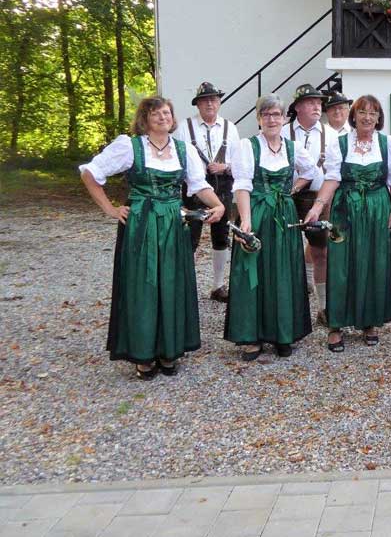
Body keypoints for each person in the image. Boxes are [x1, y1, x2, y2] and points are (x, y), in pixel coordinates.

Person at [80, 97, 225, 379]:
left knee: (171, 284)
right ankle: (143, 353)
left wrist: (217, 204)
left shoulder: (183, 150)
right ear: (144, 118)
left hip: (173, 223)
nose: (162, 117)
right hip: (141, 224)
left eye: (167, 112)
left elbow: (198, 185)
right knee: (143, 285)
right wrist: (109, 209)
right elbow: (90, 173)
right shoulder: (129, 146)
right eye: (155, 112)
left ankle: (169, 349)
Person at [226, 95, 320, 361]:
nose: (272, 119)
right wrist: (245, 219)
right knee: (254, 270)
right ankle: (251, 337)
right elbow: (242, 185)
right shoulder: (248, 146)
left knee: (283, 271)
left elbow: (310, 170)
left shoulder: (292, 147)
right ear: (259, 119)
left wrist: (291, 190)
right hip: (257, 212)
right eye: (266, 115)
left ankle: (283, 333)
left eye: (276, 114)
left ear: (284, 118)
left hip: (284, 213)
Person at [306, 95, 391, 351]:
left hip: (378, 209)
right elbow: (332, 178)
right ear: (354, 116)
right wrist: (317, 207)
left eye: (373, 113)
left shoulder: (387, 142)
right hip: (345, 209)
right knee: (340, 264)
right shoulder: (340, 143)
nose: (367, 117)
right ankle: (336, 325)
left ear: (379, 118)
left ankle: (368, 321)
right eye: (362, 112)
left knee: (373, 262)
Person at [174, 81, 239, 302]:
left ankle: (218, 285)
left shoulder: (231, 128)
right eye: (205, 100)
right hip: (194, 188)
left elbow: (239, 161)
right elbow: (177, 159)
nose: (210, 103)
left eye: (213, 99)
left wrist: (226, 167)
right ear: (198, 104)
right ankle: (184, 286)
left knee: (221, 236)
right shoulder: (185, 127)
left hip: (223, 185)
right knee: (189, 237)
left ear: (219, 102)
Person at [282, 84, 337, 323]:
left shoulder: (332, 135)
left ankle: (323, 307)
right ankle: (288, 304)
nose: (317, 106)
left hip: (319, 197)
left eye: (318, 102)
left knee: (321, 251)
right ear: (297, 107)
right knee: (285, 251)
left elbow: (335, 171)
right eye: (310, 102)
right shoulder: (282, 132)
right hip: (287, 198)